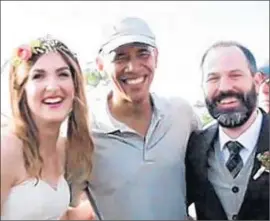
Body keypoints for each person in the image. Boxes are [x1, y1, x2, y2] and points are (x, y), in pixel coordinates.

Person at [88, 16, 201, 220]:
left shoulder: (181, 114)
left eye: (143, 54)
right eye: (120, 57)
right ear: (100, 65)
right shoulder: (86, 131)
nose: (133, 67)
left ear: (156, 57)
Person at [1, 36, 95, 220]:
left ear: (75, 87)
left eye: (63, 74)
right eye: (38, 76)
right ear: (22, 90)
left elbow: (52, 214)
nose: (53, 86)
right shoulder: (6, 150)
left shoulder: (62, 149)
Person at [186, 41, 269, 220]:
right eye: (213, 78)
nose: (224, 87)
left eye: (235, 75)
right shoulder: (193, 147)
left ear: (256, 82)